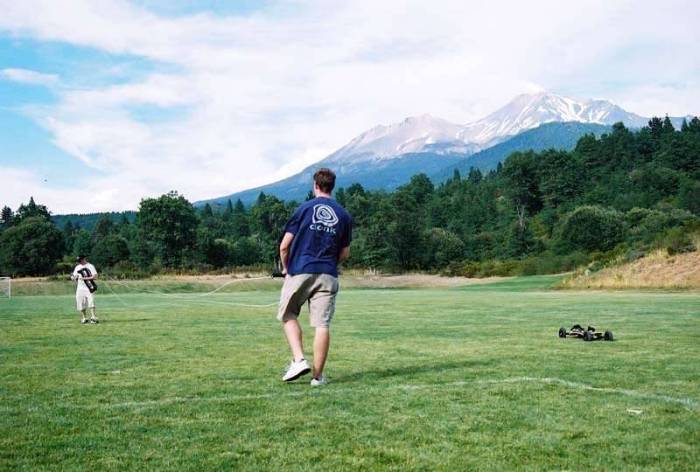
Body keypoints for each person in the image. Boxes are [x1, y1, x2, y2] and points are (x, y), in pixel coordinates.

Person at [278, 168, 352, 386]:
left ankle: (299, 359)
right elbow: (345, 253)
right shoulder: (344, 215)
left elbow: (284, 246)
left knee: (288, 314)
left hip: (300, 269)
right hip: (328, 273)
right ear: (332, 186)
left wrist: (286, 268)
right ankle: (317, 378)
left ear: (315, 185)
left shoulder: (303, 209)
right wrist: (330, 264)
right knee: (322, 324)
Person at [71, 255, 99, 324]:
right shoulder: (77, 267)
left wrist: (84, 278)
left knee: (91, 302)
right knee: (80, 303)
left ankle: (93, 317)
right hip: (80, 288)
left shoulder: (90, 266)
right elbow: (74, 276)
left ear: (84, 259)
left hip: (89, 287)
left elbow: (95, 277)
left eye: (80, 260)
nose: (79, 262)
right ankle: (84, 318)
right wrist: (73, 278)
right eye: (78, 261)